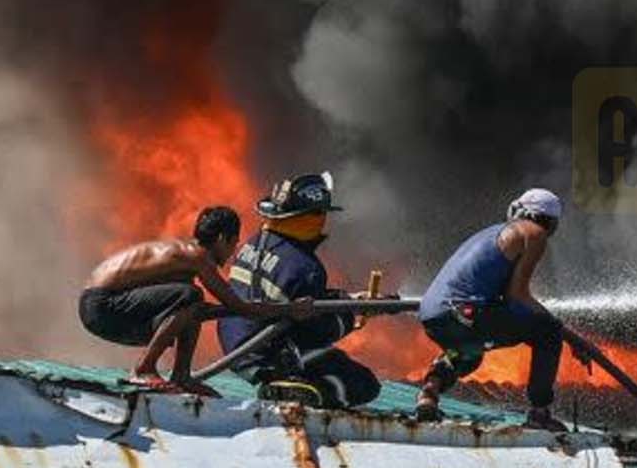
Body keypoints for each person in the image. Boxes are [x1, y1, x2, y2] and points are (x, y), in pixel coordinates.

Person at [79, 205, 302, 395]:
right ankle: (143, 368)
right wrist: (292, 308)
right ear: (222, 239)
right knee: (191, 295)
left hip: (103, 308)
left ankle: (182, 375)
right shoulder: (196, 257)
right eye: (234, 243)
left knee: (192, 301)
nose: (233, 251)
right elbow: (239, 307)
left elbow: (201, 311)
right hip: (101, 306)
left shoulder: (186, 258)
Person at [415, 187, 587, 431]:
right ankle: (539, 412)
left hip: (432, 317)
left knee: (469, 353)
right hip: (464, 315)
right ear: (550, 223)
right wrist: (567, 334)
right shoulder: (534, 233)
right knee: (548, 331)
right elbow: (518, 296)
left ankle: (429, 393)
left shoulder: (491, 233)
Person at [217, 172, 382, 409]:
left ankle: (283, 382)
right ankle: (303, 391)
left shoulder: (254, 242)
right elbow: (315, 330)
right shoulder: (306, 267)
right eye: (321, 213)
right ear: (311, 218)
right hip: (268, 352)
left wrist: (348, 300)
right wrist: (347, 316)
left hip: (233, 343)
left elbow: (290, 295)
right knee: (363, 384)